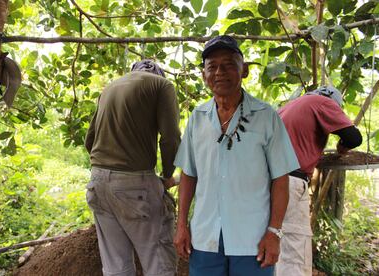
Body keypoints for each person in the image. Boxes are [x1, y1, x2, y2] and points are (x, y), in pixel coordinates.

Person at [173, 35, 300, 275]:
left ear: (245, 71)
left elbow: (280, 179)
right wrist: (181, 225)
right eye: (212, 66)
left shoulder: (266, 117)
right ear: (204, 75)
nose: (220, 72)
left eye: (229, 64)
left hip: (253, 240)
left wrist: (274, 232)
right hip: (205, 238)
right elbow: (188, 175)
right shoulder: (197, 119)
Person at [84, 59, 181, 276]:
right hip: (135, 186)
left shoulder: (110, 87)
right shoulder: (162, 85)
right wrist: (167, 176)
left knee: (116, 267)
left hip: (97, 183)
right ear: (159, 74)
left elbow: (89, 141)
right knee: (159, 262)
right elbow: (170, 138)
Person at [276, 86, 362, 276]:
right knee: (294, 247)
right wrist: (343, 145)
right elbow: (354, 137)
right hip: (289, 181)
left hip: (266, 179)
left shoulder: (289, 106)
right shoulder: (323, 103)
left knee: (275, 242)